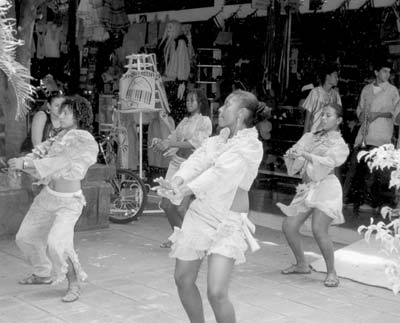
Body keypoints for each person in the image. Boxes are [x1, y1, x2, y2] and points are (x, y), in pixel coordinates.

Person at [155, 90, 267, 323]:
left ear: (241, 114)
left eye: (227, 105)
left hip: (227, 220)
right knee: (183, 279)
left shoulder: (251, 146)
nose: (220, 109)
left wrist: (184, 190)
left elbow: (219, 175)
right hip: (201, 214)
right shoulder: (217, 140)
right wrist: (175, 181)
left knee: (216, 292)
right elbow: (196, 161)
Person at [8, 96, 98, 303]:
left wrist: (26, 165)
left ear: (79, 115)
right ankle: (42, 273)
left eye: (67, 112)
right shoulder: (58, 136)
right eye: (61, 111)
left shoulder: (82, 138)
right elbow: (40, 155)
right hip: (47, 197)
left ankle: (73, 283)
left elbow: (59, 162)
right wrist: (21, 162)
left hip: (69, 202)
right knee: (25, 237)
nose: (61, 115)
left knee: (57, 244)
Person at [277, 103, 349, 288]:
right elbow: (296, 154)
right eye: (322, 115)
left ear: (339, 120)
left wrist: (306, 155)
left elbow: (328, 162)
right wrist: (293, 155)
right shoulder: (310, 136)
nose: (323, 118)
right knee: (289, 225)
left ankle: (332, 271)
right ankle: (301, 264)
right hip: (307, 187)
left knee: (319, 229)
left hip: (327, 188)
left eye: (328, 115)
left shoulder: (340, 144)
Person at [152, 89, 212, 248]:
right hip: (176, 163)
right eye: (187, 100)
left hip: (191, 167)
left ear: (200, 103)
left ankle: (193, 239)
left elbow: (195, 143)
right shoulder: (184, 121)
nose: (188, 103)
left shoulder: (205, 121)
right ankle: (179, 236)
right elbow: (173, 138)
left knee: (180, 207)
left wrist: (170, 143)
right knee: (166, 204)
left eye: (192, 100)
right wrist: (161, 142)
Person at [343, 60, 400, 214]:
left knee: (377, 172)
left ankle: (374, 203)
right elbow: (360, 109)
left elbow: (395, 113)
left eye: (389, 72)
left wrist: (378, 114)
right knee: (357, 167)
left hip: (382, 134)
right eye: (384, 71)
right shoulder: (367, 89)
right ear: (376, 72)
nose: (387, 75)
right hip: (365, 134)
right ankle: (353, 199)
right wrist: (362, 116)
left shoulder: (392, 90)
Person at [302, 65, 341, 134]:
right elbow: (308, 117)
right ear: (327, 76)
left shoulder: (335, 95)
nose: (337, 79)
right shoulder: (315, 92)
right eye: (335, 76)